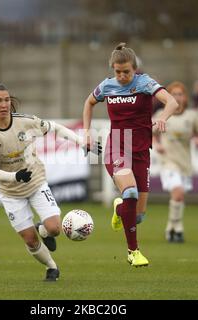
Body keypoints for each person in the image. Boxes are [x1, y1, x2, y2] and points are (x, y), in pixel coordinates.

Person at [0, 84, 101, 281]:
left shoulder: (26, 122)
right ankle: (52, 267)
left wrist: (81, 141)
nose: (4, 104)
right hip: (11, 193)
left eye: (6, 100)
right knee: (30, 240)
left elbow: (55, 128)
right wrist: (15, 177)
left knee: (55, 228)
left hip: (36, 182)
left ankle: (43, 230)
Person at [82, 43, 179, 267]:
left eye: (127, 71)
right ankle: (133, 252)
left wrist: (163, 117)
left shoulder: (144, 82)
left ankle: (119, 208)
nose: (123, 76)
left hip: (141, 151)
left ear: (134, 68)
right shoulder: (107, 86)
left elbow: (172, 102)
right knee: (131, 192)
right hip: (116, 146)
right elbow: (88, 103)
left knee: (137, 216)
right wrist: (86, 132)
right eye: (118, 71)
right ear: (113, 69)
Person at [153, 82, 198, 243]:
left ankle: (172, 228)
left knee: (179, 197)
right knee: (178, 192)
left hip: (185, 162)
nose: (177, 97)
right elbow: (150, 133)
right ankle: (177, 228)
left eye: (180, 94)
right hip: (168, 162)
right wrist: (157, 145)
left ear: (185, 97)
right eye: (174, 94)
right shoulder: (161, 114)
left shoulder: (192, 116)